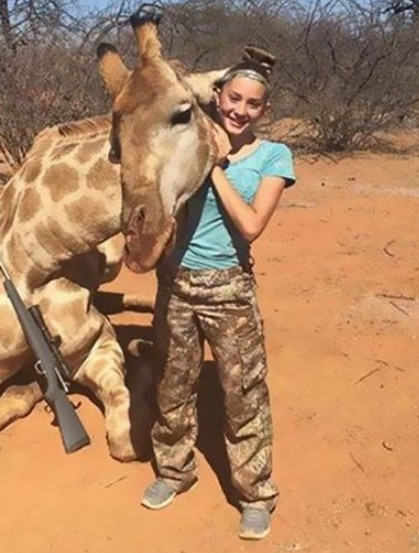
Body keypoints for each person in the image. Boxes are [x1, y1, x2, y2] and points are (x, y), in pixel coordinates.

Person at [139, 48, 296, 541]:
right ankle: (173, 471)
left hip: (228, 288)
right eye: (233, 98)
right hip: (176, 284)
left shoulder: (273, 157)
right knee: (172, 384)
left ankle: (254, 494)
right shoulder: (191, 143)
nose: (240, 110)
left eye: (252, 104)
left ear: (263, 111)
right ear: (219, 98)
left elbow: (250, 227)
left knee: (242, 394)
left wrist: (215, 169)